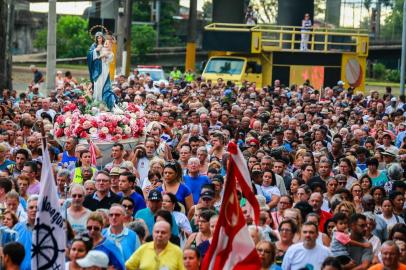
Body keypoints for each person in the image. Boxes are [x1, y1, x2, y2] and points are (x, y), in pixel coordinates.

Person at [87, 32, 116, 110]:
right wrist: (95, 50)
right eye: (97, 38)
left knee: (104, 83)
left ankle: (104, 102)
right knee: (97, 84)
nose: (99, 39)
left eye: (100, 37)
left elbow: (111, 55)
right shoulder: (93, 46)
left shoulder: (105, 45)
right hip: (96, 69)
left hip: (105, 68)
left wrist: (106, 55)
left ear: (102, 38)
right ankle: (96, 101)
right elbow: (89, 55)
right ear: (96, 39)